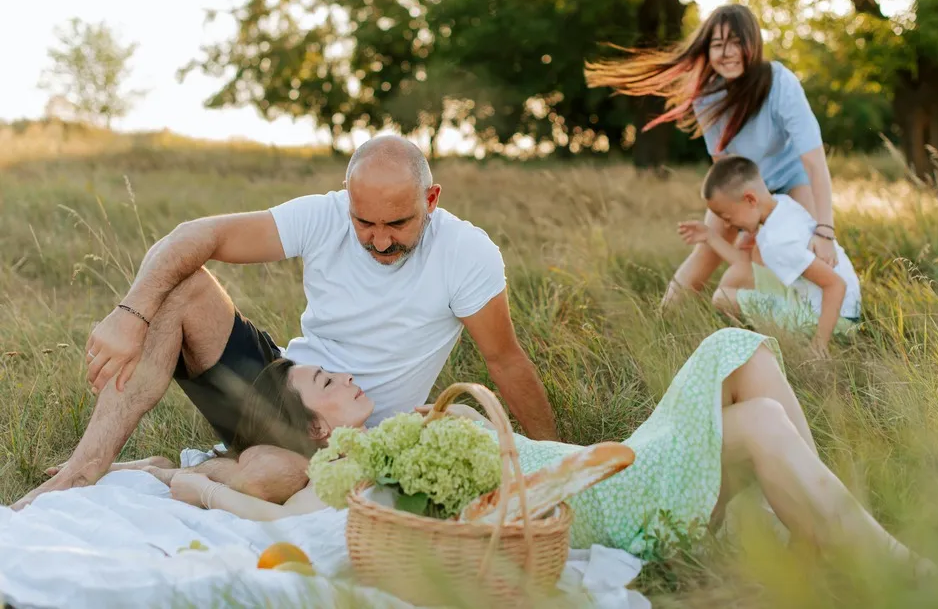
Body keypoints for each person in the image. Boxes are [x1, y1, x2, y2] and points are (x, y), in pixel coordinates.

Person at [11, 135, 558, 511]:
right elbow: (194, 235)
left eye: (398, 222)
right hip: (281, 386)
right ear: (348, 200)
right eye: (364, 222)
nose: (380, 239)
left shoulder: (468, 255)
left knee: (271, 476)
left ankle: (177, 470)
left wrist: (557, 460)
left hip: (351, 431)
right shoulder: (323, 215)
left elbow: (505, 360)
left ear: (431, 199)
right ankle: (83, 469)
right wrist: (130, 315)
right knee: (183, 285)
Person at [146, 329, 929, 575]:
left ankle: (814, 522)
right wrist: (201, 483)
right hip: (592, 497)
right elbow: (278, 511)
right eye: (325, 379)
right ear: (316, 427)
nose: (345, 374)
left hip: (602, 458)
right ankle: (885, 565)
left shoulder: (422, 420)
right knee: (755, 420)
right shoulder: (357, 465)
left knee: (741, 352)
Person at [584, 4, 840, 306]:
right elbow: (726, 167)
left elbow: (814, 161)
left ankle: (812, 325)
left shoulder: (782, 84)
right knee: (707, 251)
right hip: (741, 184)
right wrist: (748, 224)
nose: (727, 52)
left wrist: (825, 230)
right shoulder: (707, 96)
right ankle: (664, 322)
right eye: (717, 45)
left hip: (791, 179)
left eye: (735, 42)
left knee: (803, 251)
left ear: (753, 43)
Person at [678, 157, 862, 354]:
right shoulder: (783, 206)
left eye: (727, 217)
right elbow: (745, 264)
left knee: (722, 298)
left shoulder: (778, 242)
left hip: (837, 322)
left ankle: (761, 347)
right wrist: (710, 236)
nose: (727, 226)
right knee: (741, 271)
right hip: (842, 310)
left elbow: (835, 285)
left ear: (750, 199)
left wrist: (819, 344)